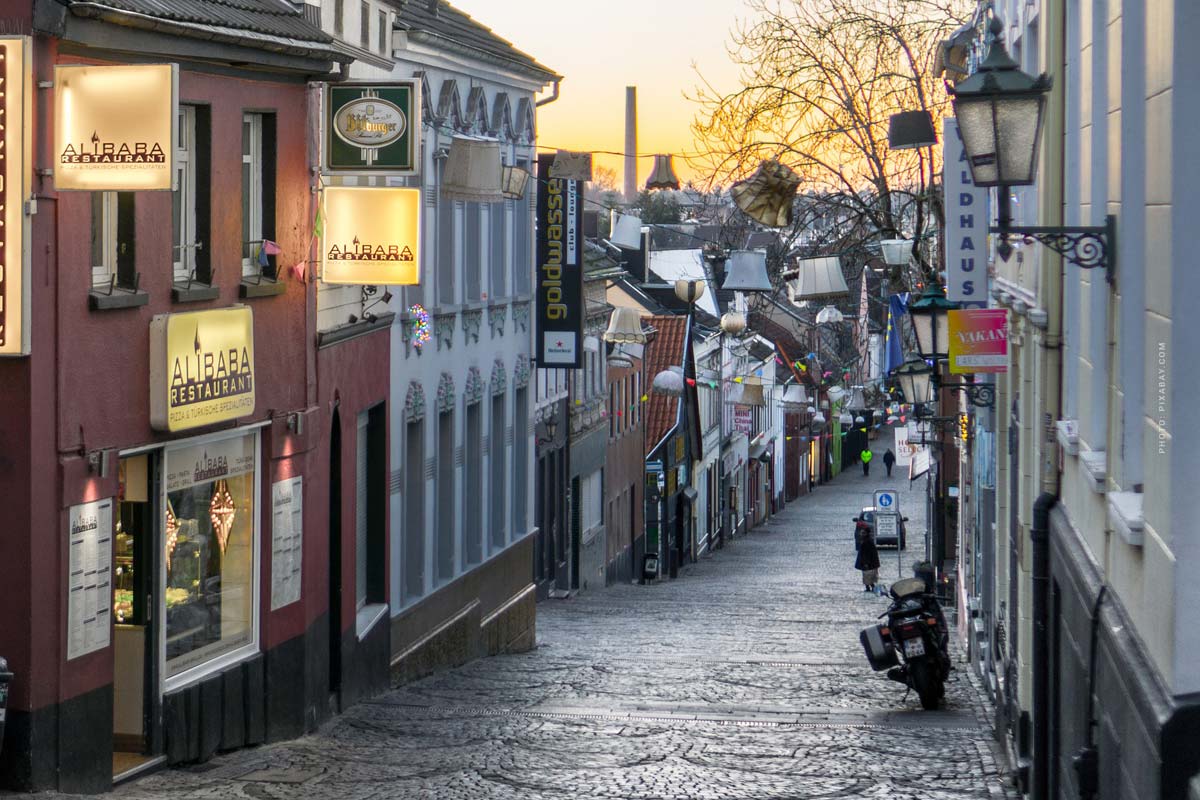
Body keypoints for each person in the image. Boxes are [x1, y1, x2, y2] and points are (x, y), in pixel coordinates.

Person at [855, 524, 880, 591]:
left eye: (862, 532)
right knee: (869, 575)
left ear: (866, 533)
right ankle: (871, 586)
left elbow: (866, 554)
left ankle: (869, 587)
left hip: (868, 563)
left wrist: (866, 563)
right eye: (861, 532)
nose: (861, 534)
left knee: (867, 575)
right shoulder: (866, 540)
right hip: (869, 562)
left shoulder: (866, 542)